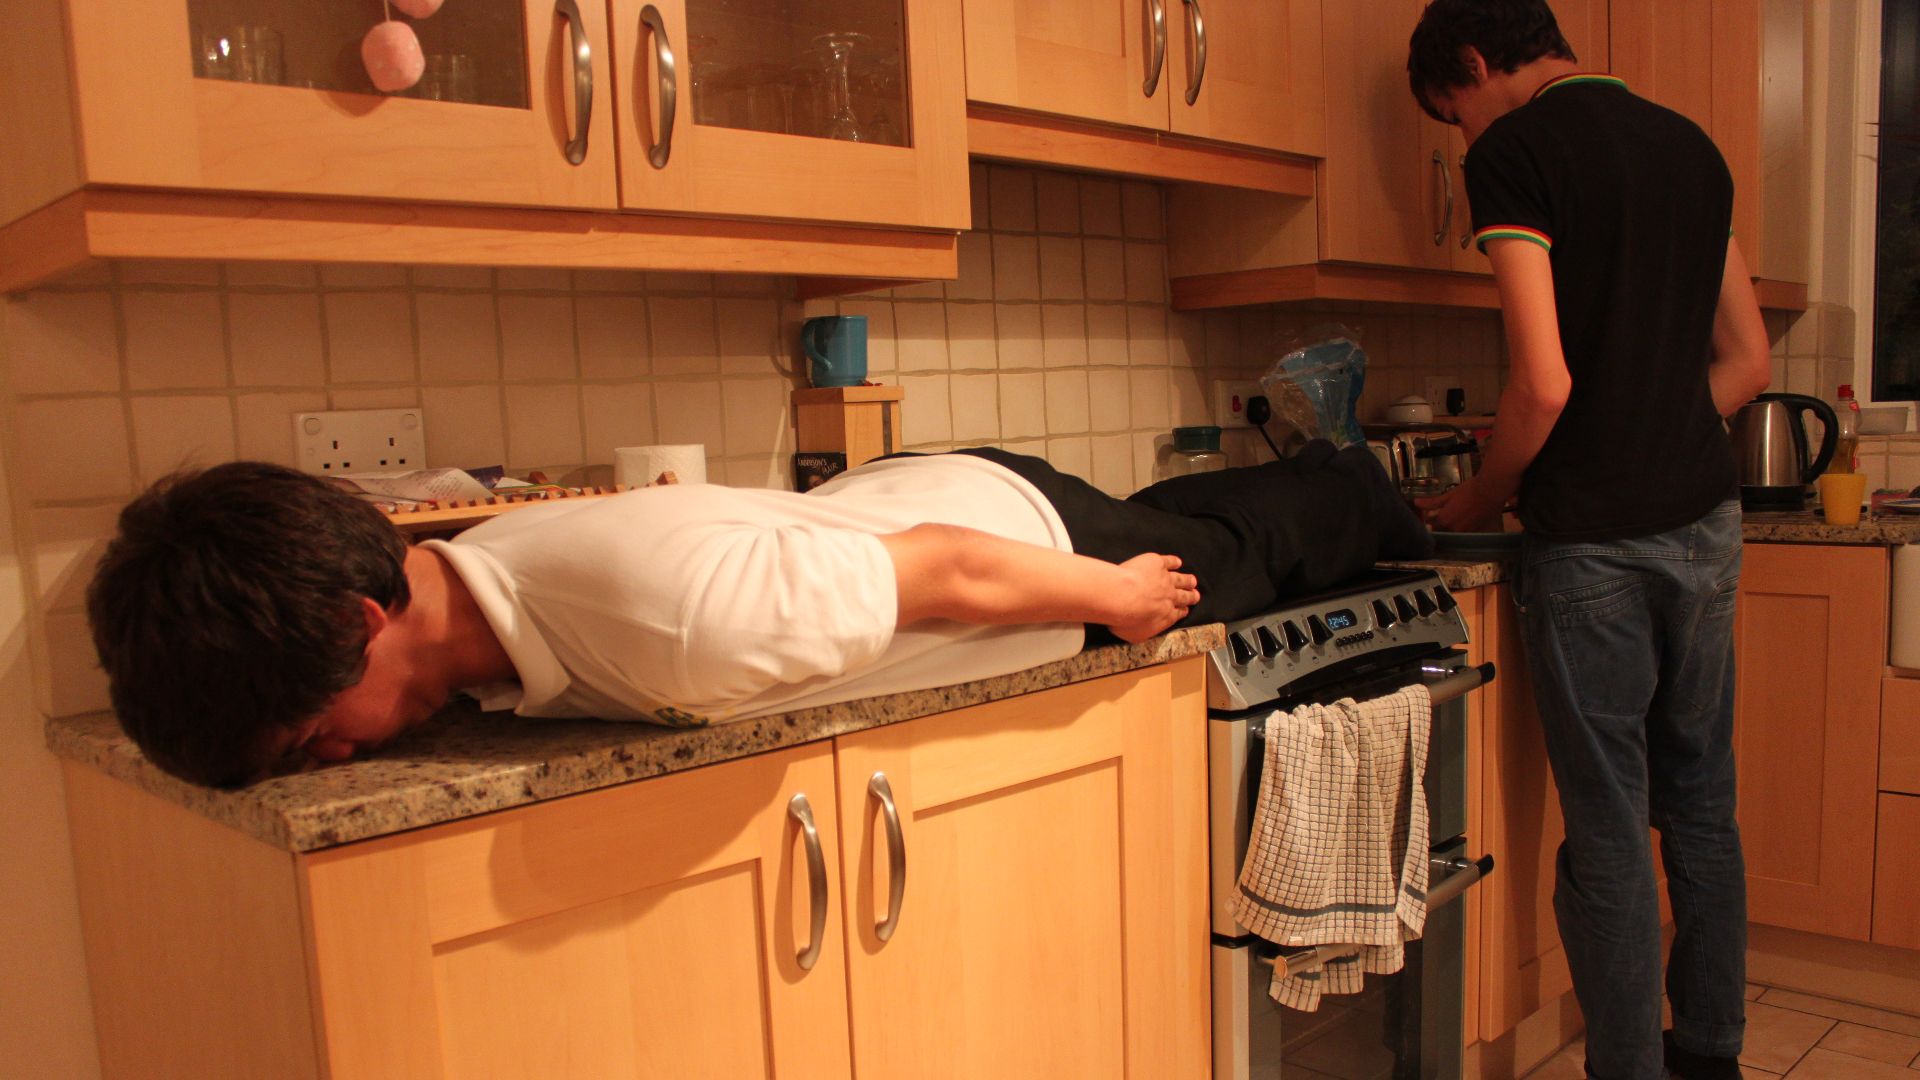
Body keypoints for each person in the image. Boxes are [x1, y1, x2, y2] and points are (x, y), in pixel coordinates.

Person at [87, 443, 1432, 790]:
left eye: (310, 735)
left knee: (1237, 552)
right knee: (1202, 524)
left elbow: (946, 579)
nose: (328, 758)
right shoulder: (465, 584)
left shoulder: (676, 624)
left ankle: (1361, 481)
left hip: (1021, 547)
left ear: (361, 615)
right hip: (924, 511)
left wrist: (1114, 596)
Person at [1405, 3, 1773, 1078]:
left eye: (1452, 114)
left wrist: (1482, 492)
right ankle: (1710, 1053)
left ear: (1472, 65)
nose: (1465, 137)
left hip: (1596, 552)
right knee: (1702, 807)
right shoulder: (1690, 149)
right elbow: (1745, 365)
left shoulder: (1517, 154)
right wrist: (1655, 420)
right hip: (1706, 529)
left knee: (1609, 827)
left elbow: (1544, 384)